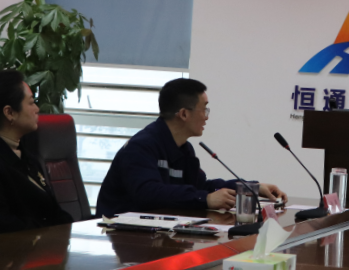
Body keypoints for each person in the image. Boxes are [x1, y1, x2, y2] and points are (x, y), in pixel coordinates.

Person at [96, 78, 287, 218]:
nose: (207, 117)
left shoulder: (184, 149)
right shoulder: (142, 146)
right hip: (120, 235)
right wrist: (205, 199)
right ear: (184, 114)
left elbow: (201, 186)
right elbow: (148, 194)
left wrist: (251, 187)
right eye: (204, 109)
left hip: (157, 231)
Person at [0, 70, 73, 233]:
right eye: (31, 103)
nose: (37, 109)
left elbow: (53, 212)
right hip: (15, 246)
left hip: (44, 243)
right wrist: (49, 232)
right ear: (10, 112)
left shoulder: (26, 156)